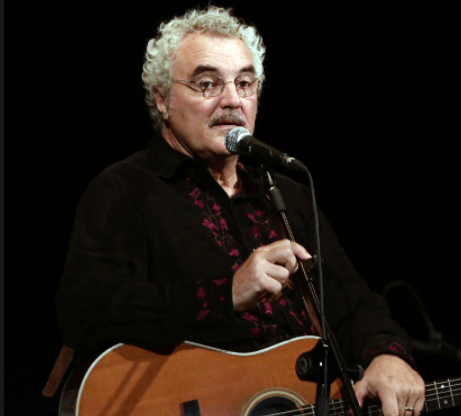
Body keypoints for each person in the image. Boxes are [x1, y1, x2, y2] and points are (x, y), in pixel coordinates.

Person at [56, 5, 426, 416]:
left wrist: (388, 356)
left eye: (245, 83)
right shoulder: (125, 189)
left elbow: (353, 303)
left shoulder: (287, 196)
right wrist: (226, 294)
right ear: (162, 99)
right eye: (207, 84)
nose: (232, 100)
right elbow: (83, 309)